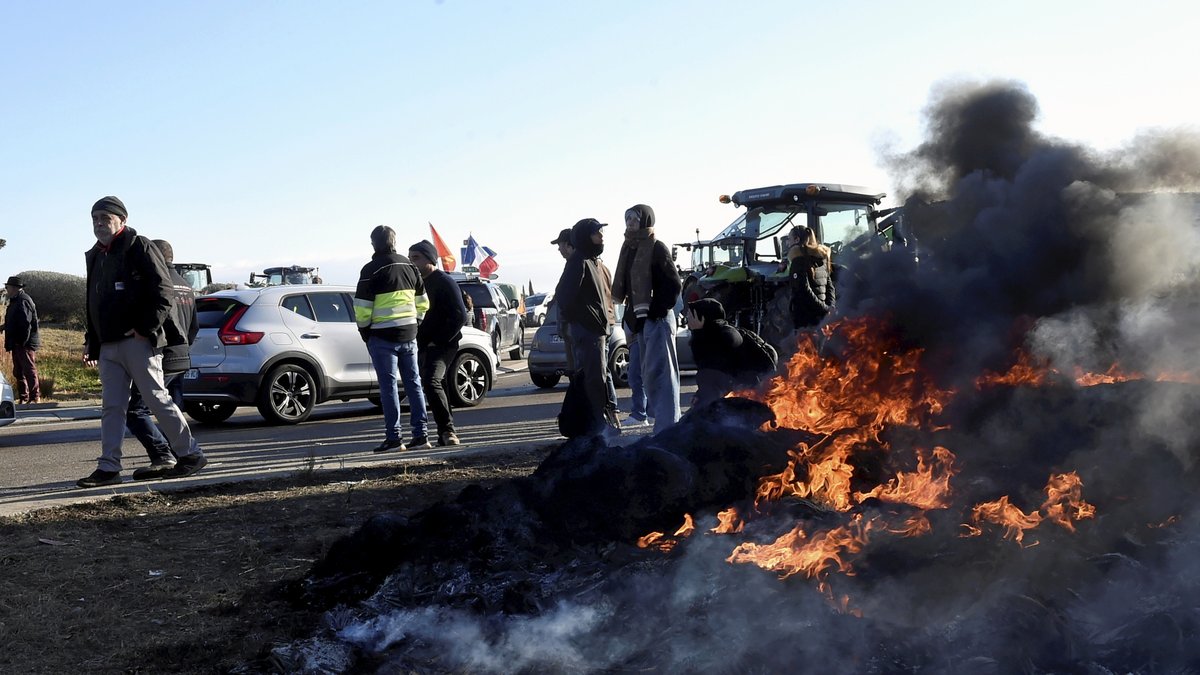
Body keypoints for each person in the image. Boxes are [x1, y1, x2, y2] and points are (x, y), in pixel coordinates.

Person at [78, 196, 207, 488]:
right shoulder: (96, 255)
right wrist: (92, 340)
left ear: (121, 220)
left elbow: (164, 291)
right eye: (95, 218)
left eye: (105, 218)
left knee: (156, 399)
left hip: (138, 341)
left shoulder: (139, 246)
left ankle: (191, 455)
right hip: (108, 345)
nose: (99, 223)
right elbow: (94, 302)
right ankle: (109, 467)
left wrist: (145, 327)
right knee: (111, 407)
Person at [125, 239, 198, 480]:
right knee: (172, 409)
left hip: (161, 353)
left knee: (136, 410)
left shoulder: (156, 282)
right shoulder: (186, 285)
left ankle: (162, 455)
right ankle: (180, 457)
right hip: (182, 354)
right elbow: (194, 326)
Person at [355, 225, 430, 453]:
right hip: (409, 334)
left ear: (374, 244)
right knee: (414, 384)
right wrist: (415, 323)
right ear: (394, 242)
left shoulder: (371, 269)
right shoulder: (410, 266)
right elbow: (423, 302)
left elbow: (362, 309)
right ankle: (421, 435)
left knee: (388, 388)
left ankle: (395, 439)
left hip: (382, 337)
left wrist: (365, 332)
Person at [611, 204, 682, 434]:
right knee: (649, 377)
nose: (630, 223)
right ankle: (662, 425)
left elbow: (673, 285)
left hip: (658, 321)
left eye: (634, 219)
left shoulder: (656, 248)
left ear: (646, 221)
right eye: (627, 218)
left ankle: (667, 429)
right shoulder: (629, 248)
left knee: (662, 376)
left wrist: (655, 310)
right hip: (641, 323)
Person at [554, 218, 620, 435]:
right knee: (594, 379)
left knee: (598, 377)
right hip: (589, 331)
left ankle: (599, 424)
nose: (601, 237)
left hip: (597, 330)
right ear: (585, 236)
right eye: (597, 233)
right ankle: (598, 428)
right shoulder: (579, 261)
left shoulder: (593, 261)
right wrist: (583, 319)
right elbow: (564, 296)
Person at [408, 240, 468, 447]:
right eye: (409, 258)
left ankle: (449, 431)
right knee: (438, 385)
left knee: (432, 381)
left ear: (430, 259)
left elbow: (460, 316)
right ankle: (444, 433)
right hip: (422, 344)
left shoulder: (444, 281)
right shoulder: (416, 284)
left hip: (443, 345)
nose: (411, 262)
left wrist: (439, 340)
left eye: (416, 257)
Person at [685, 298, 773, 408]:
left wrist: (702, 401)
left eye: (690, 316)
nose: (687, 320)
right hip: (737, 390)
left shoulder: (721, 337)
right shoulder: (714, 332)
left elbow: (710, 373)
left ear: (701, 318)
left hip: (743, 395)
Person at [787, 225, 835, 329]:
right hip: (821, 318)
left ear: (797, 240)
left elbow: (803, 290)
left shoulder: (798, 261)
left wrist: (825, 309)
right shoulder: (822, 259)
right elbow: (830, 287)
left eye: (789, 239)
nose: (788, 243)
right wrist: (829, 308)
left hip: (806, 319)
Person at [2, 275, 40, 404]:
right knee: (18, 371)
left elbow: (26, 324)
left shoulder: (23, 300)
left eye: (8, 287)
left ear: (14, 288)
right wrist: (3, 327)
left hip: (24, 343)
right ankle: (24, 397)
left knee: (29, 370)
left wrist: (22, 342)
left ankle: (34, 397)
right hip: (17, 342)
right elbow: (14, 321)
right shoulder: (15, 300)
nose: (6, 290)